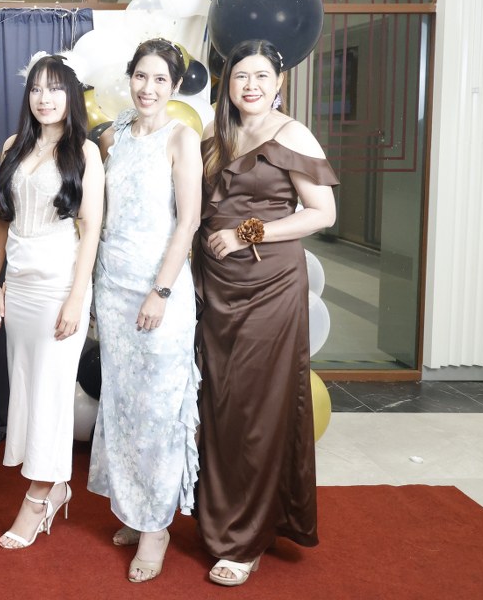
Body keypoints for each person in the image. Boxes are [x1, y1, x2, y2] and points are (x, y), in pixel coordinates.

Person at [194, 39, 337, 588]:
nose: (250, 85)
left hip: (270, 285)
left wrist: (248, 232)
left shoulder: (292, 134)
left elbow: (322, 213)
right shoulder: (216, 136)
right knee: (221, 404)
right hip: (216, 286)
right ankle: (222, 515)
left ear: (279, 81)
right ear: (227, 83)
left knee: (257, 407)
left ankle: (245, 539)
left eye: (260, 76)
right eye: (240, 76)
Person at [86, 38, 202, 583]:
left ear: (174, 87)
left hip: (161, 291)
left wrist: (161, 291)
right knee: (124, 406)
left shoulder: (181, 138)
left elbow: (188, 221)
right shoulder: (114, 136)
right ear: (129, 78)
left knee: (158, 410)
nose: (148, 88)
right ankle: (134, 510)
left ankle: (157, 527)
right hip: (113, 288)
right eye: (141, 76)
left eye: (160, 80)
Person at [0, 54, 103, 549]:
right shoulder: (13, 146)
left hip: (60, 284)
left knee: (52, 391)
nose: (44, 98)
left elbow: (90, 228)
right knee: (27, 387)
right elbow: (2, 219)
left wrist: (77, 298)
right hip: (20, 285)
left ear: (71, 94)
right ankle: (55, 486)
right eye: (36, 88)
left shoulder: (85, 152)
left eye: (55, 88)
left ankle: (38, 497)